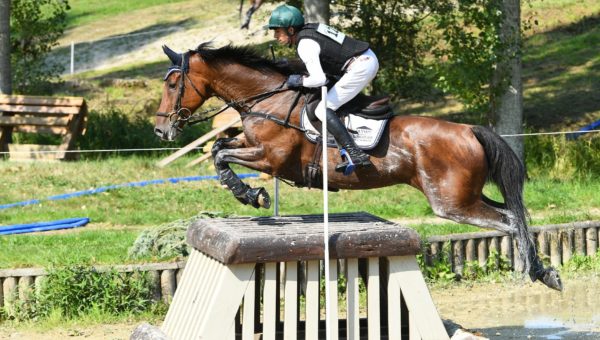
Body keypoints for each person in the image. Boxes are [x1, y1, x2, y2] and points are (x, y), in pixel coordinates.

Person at [267, 4, 378, 174]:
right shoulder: (310, 30)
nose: (275, 36)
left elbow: (319, 79)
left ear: (290, 30)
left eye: (277, 31)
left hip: (360, 66)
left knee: (322, 109)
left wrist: (297, 80)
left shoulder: (304, 44)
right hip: (364, 59)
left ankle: (355, 153)